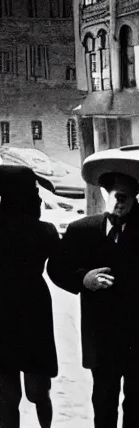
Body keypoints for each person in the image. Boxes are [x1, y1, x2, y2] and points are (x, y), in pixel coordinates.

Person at [48, 171, 139, 428]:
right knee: (103, 400)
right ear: (105, 196)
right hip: (102, 336)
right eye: (114, 196)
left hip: (136, 337)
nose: (119, 203)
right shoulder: (82, 230)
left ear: (135, 198)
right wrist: (83, 279)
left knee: (136, 404)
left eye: (125, 197)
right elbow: (56, 268)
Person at [0, 164, 60, 428]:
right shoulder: (45, 232)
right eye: (34, 190)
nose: (38, 197)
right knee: (38, 390)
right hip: (35, 307)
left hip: (2, 309)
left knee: (8, 395)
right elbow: (62, 267)